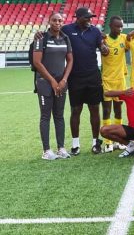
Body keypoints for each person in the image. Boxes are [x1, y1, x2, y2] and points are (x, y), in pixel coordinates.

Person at [36, 7, 110, 155]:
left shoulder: (95, 31)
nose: (90, 20)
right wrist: (39, 34)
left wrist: (103, 47)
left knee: (94, 109)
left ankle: (96, 143)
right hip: (74, 77)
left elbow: (101, 44)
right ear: (78, 17)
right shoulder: (67, 30)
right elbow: (53, 32)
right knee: (76, 110)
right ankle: (75, 144)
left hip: (93, 76)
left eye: (91, 17)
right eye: (87, 17)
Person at [33, 12, 73, 160]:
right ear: (49, 21)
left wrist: (64, 80)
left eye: (60, 20)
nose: (57, 23)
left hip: (61, 83)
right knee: (45, 116)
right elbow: (37, 62)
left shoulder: (65, 38)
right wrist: (52, 81)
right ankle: (46, 151)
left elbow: (70, 60)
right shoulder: (41, 38)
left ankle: (61, 148)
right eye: (54, 20)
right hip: (45, 83)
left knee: (59, 115)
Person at [101, 16, 128, 152]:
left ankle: (118, 139)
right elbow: (103, 51)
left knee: (118, 110)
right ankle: (107, 142)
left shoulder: (124, 38)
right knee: (106, 110)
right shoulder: (104, 39)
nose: (120, 29)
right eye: (117, 26)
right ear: (111, 26)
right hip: (107, 79)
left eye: (121, 26)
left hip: (120, 80)